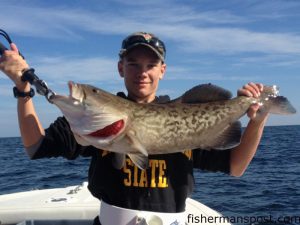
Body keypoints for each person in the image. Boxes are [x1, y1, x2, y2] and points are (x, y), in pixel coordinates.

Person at [0, 32, 268, 225]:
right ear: (120, 68)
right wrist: (24, 90)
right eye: (133, 64)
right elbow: (36, 146)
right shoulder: (85, 120)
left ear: (162, 71)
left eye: (151, 65)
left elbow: (236, 166)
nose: (143, 72)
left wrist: (257, 119)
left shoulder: (184, 115)